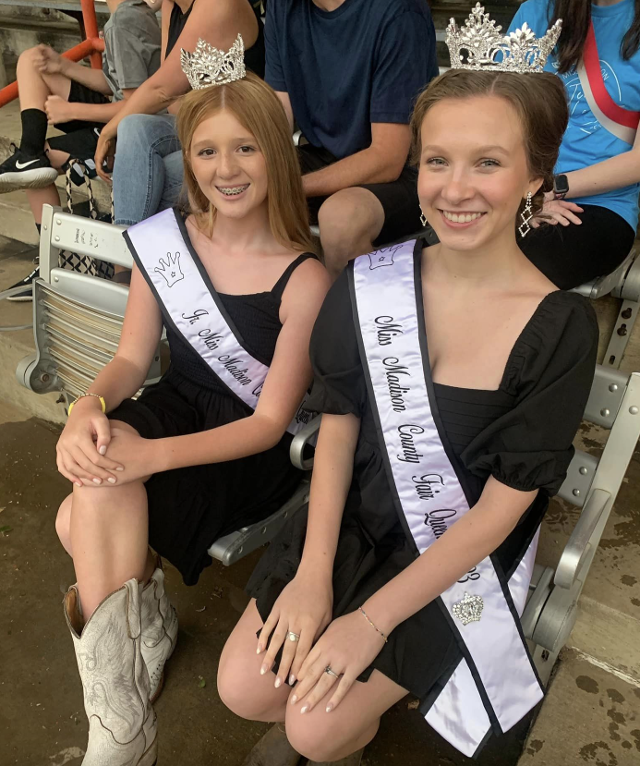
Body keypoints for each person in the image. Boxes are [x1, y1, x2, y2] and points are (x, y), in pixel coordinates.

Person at [216, 11, 599, 765]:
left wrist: (372, 622)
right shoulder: (373, 281)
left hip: (457, 552)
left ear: (535, 178)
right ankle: (330, 703)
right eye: (437, 162)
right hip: (356, 520)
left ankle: (339, 730)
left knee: (313, 729)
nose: (456, 190)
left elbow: (499, 512)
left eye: (488, 163)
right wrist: (315, 578)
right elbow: (340, 425)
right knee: (242, 688)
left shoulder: (562, 328)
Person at [53, 44, 330, 765]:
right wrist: (89, 406)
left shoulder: (304, 279)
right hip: (175, 403)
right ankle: (122, 720)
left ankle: (126, 711)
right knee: (94, 480)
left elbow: (270, 421)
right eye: (206, 150)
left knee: (81, 512)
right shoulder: (166, 242)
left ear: (276, 153)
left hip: (246, 447)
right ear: (189, 157)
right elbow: (130, 360)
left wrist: (149, 456)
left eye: (245, 147)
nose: (225, 169)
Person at [266, 0, 439, 279]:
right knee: (228, 183)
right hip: (321, 155)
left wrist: (288, 187)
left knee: (342, 219)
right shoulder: (282, 6)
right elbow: (275, 118)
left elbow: (387, 158)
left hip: (406, 173)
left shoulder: (399, 12)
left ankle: (348, 320)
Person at [0, 0, 161, 300]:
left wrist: (72, 109)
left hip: (130, 133)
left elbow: (138, 107)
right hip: (122, 119)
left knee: (41, 166)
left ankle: (56, 260)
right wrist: (64, 66)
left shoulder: (126, 20)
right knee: (31, 60)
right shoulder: (126, 16)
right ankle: (28, 154)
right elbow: (115, 84)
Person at [95, 0, 264, 229]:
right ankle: (127, 257)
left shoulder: (218, 3)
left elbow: (163, 89)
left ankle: (127, 255)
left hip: (242, 138)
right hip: (197, 129)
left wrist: (106, 132)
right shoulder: (171, 7)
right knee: (133, 127)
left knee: (153, 175)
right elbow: (172, 101)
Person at [509, 0, 640, 289]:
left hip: (599, 206)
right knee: (433, 258)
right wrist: (521, 197)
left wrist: (547, 190)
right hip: (513, 191)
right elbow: (496, 116)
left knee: (512, 274)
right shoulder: (538, 10)